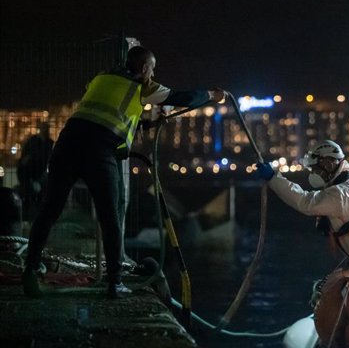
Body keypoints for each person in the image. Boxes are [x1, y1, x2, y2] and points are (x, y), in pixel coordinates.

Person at [22, 46, 228, 299]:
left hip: (66, 145)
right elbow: (181, 97)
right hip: (99, 151)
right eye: (152, 68)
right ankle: (114, 283)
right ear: (144, 68)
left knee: (50, 209)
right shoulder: (144, 85)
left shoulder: (100, 79)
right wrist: (212, 95)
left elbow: (110, 114)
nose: (152, 73)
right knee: (111, 215)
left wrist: (148, 122)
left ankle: (30, 269)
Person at [254, 140, 349, 321]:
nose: (314, 173)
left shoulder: (340, 194)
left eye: (316, 169)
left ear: (329, 164)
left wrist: (274, 179)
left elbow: (305, 202)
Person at [16, 122, 54, 219]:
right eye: (44, 128)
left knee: (36, 199)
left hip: (36, 175)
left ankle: (32, 218)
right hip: (31, 175)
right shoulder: (37, 143)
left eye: (46, 128)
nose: (45, 130)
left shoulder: (47, 143)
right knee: (33, 198)